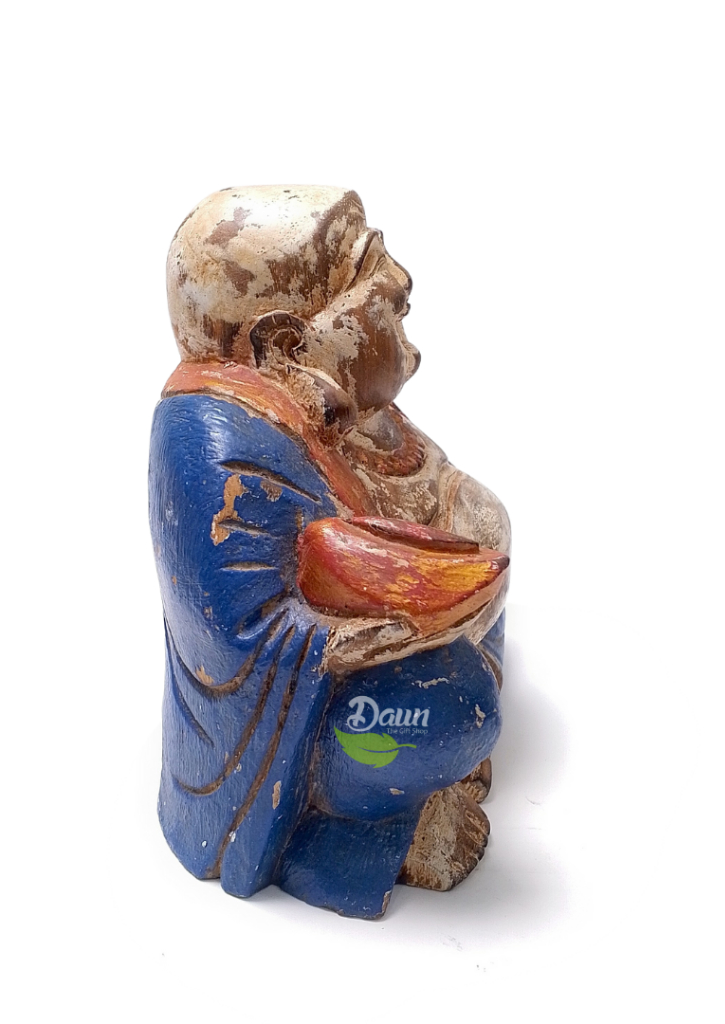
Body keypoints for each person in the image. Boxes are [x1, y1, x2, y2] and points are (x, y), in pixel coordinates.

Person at [150, 185, 511, 917]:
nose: (401, 281)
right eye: (369, 273)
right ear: (287, 345)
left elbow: (424, 499)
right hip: (306, 722)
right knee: (452, 712)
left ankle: (427, 776)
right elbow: (236, 635)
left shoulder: (336, 406)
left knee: (481, 548)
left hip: (394, 637)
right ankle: (339, 837)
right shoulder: (208, 443)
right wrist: (386, 627)